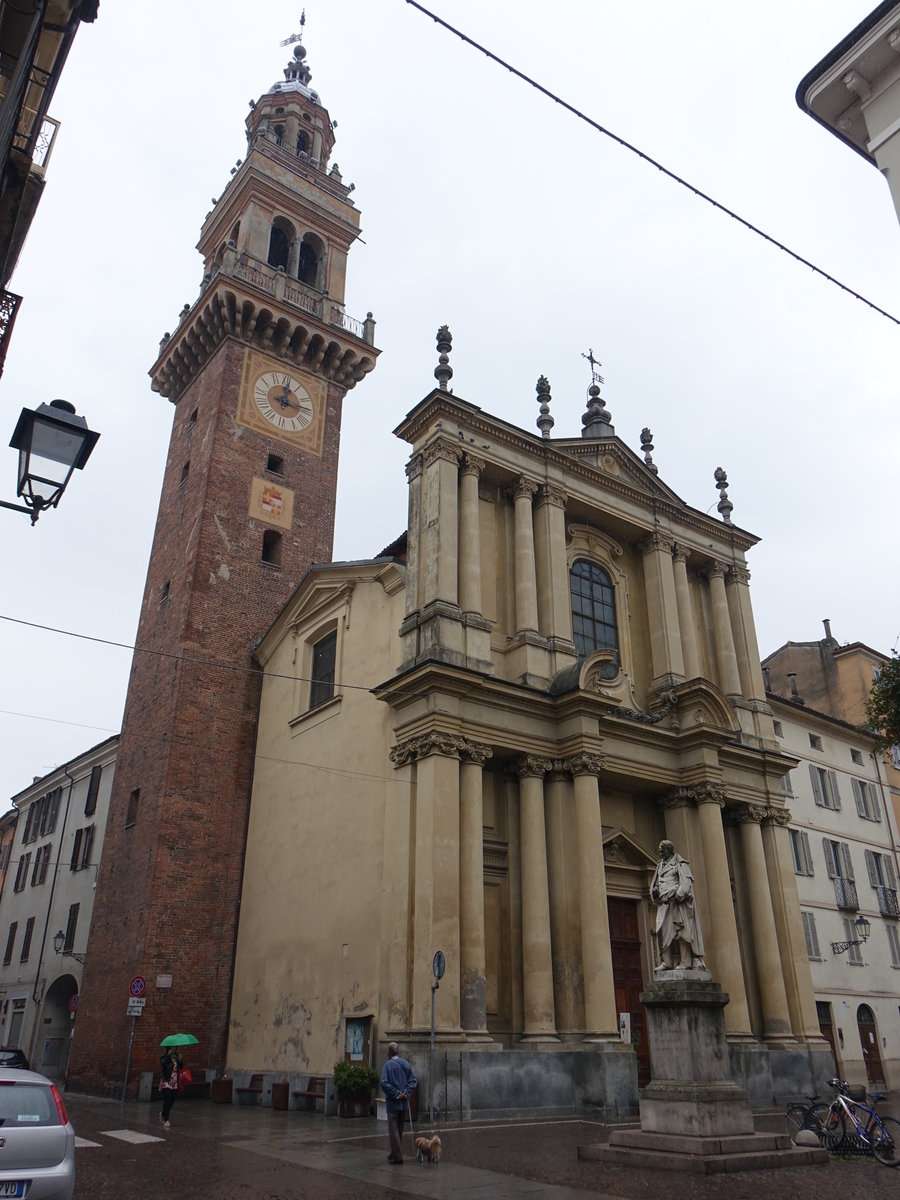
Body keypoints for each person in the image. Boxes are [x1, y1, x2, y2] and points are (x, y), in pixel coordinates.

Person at [649, 839, 706, 970]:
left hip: (678, 904)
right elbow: (656, 883)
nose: (660, 853)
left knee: (681, 932)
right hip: (663, 903)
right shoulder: (660, 866)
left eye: (662, 851)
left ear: (669, 850)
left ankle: (686, 962)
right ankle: (667, 962)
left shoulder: (680, 864)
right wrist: (655, 892)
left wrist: (677, 895)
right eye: (660, 851)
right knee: (662, 932)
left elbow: (686, 884)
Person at [380, 1042, 416, 1164]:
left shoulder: (387, 1065)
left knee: (393, 1130)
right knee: (399, 1129)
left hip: (393, 1103)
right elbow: (413, 1081)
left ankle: (397, 1156)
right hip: (404, 1103)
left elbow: (384, 1083)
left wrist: (396, 1093)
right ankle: (395, 1152)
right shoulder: (406, 1063)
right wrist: (406, 1093)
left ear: (389, 1053)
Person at [159, 1049, 182, 1128]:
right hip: (166, 1080)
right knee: (168, 1099)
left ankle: (163, 1113)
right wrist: (168, 1056)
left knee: (172, 1100)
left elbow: (181, 1067)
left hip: (174, 1081)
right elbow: (162, 1064)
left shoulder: (176, 1057)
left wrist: (180, 1059)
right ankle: (166, 1120)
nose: (174, 1049)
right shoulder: (164, 1056)